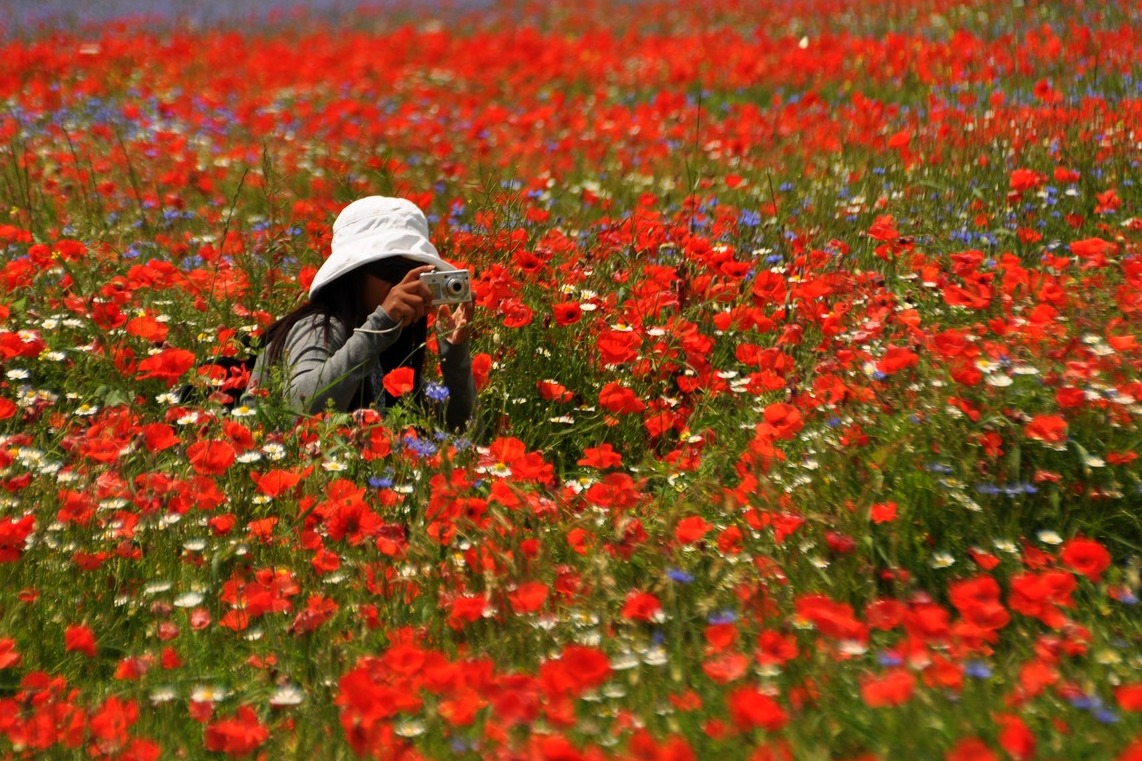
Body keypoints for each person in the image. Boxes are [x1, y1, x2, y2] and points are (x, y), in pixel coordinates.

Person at [245, 196, 476, 431]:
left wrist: (454, 352)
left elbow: (457, 428)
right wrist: (380, 325)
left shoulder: (392, 346)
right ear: (355, 273)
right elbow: (297, 412)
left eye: (418, 273)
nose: (406, 284)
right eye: (393, 270)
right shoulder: (319, 328)